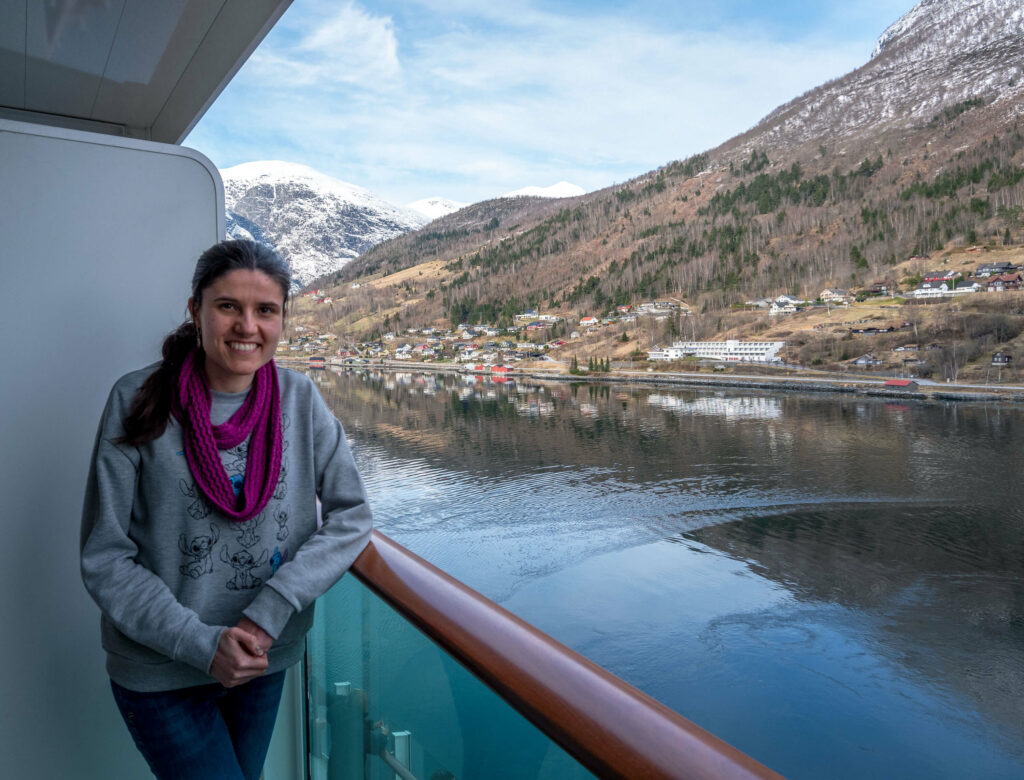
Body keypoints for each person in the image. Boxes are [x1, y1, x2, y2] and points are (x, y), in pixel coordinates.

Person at [80, 239, 372, 780]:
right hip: (161, 667)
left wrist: (267, 616)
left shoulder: (300, 399)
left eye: (265, 310)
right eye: (228, 306)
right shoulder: (136, 399)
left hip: (264, 658)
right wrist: (201, 642)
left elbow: (351, 514)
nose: (247, 326)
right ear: (196, 310)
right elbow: (106, 555)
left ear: (283, 318)